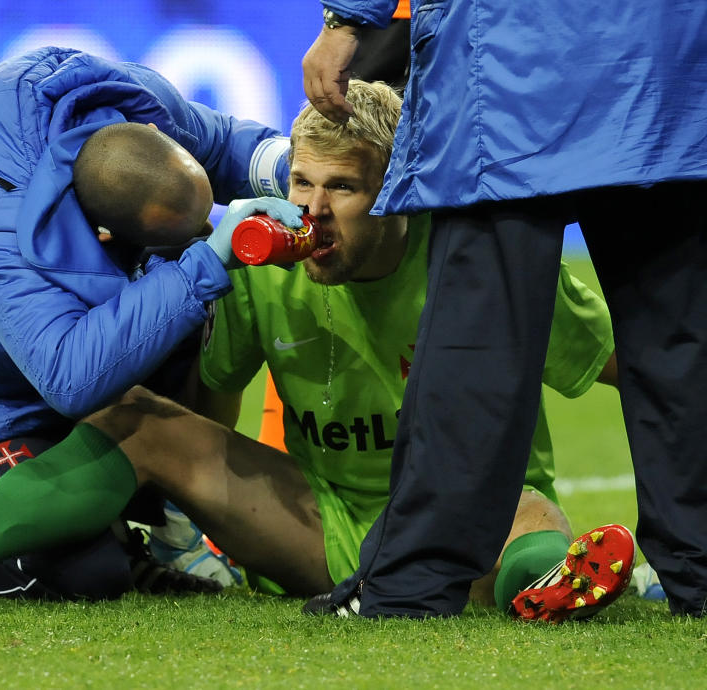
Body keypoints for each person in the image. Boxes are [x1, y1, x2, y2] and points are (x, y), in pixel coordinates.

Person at [0, 80, 635, 622]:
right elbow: (209, 407)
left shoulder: (477, 267)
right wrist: (194, 524)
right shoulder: (266, 270)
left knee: (526, 513)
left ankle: (550, 580)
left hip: (465, 517)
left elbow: (615, 363)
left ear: (401, 190)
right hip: (323, 521)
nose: (311, 211)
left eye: (342, 189)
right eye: (301, 184)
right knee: (138, 416)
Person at [0, 46, 303, 602]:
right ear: (102, 231)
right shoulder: (2, 232)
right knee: (84, 576)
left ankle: (170, 517)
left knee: (184, 302)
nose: (203, 229)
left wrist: (301, 170)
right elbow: (71, 378)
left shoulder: (132, 106)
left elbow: (223, 143)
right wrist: (201, 264)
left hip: (19, 379)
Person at [301, 2, 707, 618]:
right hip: (662, 60)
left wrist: (346, 20)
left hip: (513, 63)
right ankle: (699, 569)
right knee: (678, 338)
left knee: (478, 346)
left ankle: (411, 585)